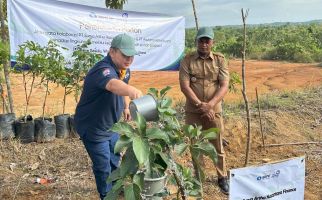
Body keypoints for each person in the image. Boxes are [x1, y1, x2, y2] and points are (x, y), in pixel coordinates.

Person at [74, 33, 143, 199]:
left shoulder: (124, 71)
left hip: (112, 125)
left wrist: (126, 106)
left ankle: (115, 187)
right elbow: (113, 85)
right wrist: (132, 91)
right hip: (93, 127)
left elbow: (122, 85)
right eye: (125, 55)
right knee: (103, 165)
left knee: (114, 158)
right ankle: (106, 195)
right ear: (112, 52)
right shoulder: (102, 69)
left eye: (131, 56)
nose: (129, 59)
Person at [179, 27, 230, 195]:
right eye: (201, 40)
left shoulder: (220, 60)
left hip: (214, 111)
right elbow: (184, 86)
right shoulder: (187, 60)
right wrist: (201, 105)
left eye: (207, 40)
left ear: (212, 42)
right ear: (197, 42)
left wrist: (211, 105)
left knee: (217, 145)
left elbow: (224, 85)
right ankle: (199, 179)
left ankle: (222, 177)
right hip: (193, 112)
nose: (204, 44)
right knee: (196, 146)